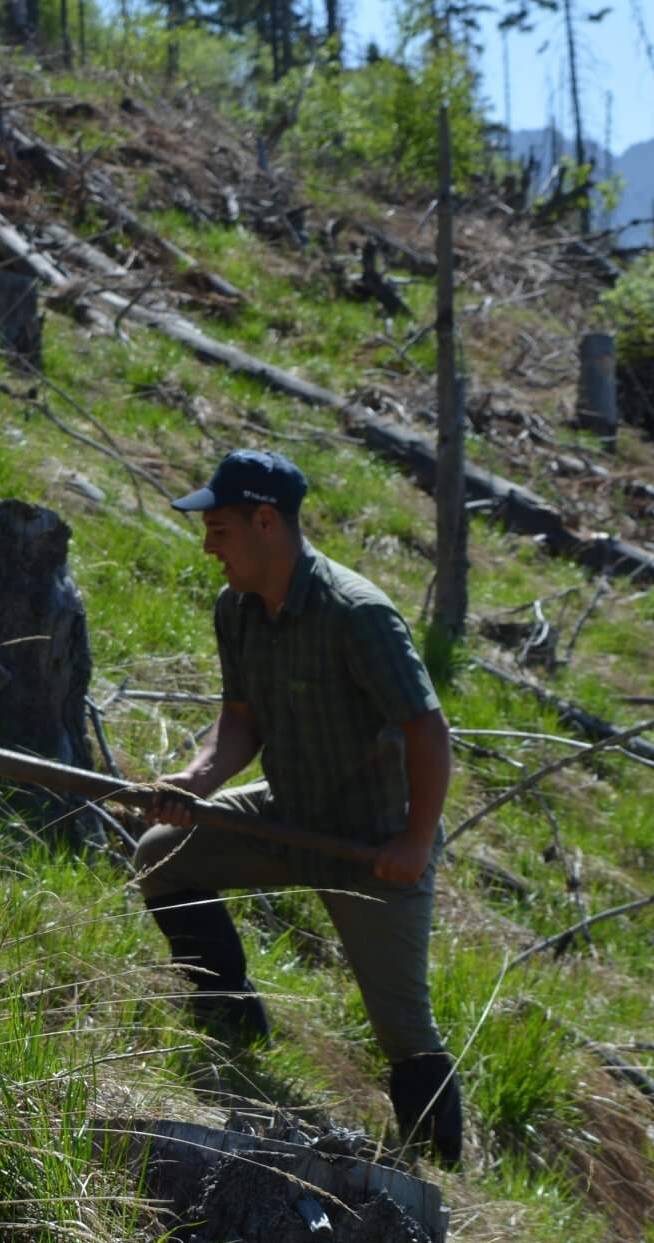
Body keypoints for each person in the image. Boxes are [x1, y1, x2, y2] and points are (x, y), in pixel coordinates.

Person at [136, 449, 464, 1165]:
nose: (208, 546)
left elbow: (427, 729)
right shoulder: (238, 610)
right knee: (161, 857)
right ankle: (231, 1016)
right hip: (289, 817)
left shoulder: (358, 615)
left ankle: (439, 1170)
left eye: (219, 529)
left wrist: (412, 841)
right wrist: (195, 781)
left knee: (405, 1031)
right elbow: (241, 722)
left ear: (265, 522)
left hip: (374, 846)